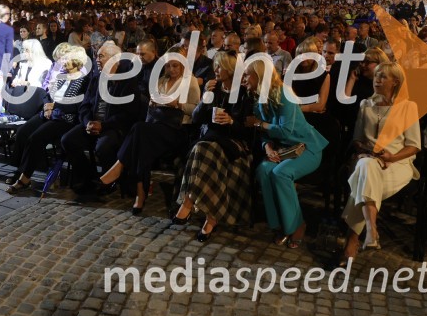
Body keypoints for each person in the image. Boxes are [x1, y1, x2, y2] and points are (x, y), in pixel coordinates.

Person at [97, 45, 200, 214]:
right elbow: (151, 112)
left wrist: (177, 104)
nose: (171, 69)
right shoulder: (161, 81)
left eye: (175, 65)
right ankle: (140, 194)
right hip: (156, 127)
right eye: (168, 65)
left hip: (178, 130)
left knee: (139, 131)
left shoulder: (190, 81)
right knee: (142, 145)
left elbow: (196, 111)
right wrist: (153, 104)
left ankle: (120, 168)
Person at [340, 62, 420, 262]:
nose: (377, 79)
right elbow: (357, 139)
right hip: (368, 160)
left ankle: (353, 239)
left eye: (383, 76)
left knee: (362, 179)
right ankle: (371, 230)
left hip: (398, 163)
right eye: (376, 75)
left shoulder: (408, 106)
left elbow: (414, 146)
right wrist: (365, 151)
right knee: (366, 166)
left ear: (396, 82)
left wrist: (392, 157)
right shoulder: (366, 104)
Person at [172, 51, 256, 240]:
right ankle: (210, 217)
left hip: (233, 142)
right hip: (211, 139)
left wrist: (232, 121)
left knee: (202, 149)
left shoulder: (244, 93)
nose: (216, 70)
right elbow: (196, 118)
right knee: (204, 149)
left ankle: (189, 203)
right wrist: (205, 97)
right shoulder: (214, 88)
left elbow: (249, 130)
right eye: (215, 66)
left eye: (220, 67)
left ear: (231, 69)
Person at [247, 56, 328, 248]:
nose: (244, 80)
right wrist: (267, 147)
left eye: (247, 75)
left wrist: (259, 123)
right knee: (263, 171)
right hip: (283, 150)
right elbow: (263, 133)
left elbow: (285, 130)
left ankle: (297, 225)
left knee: (280, 173)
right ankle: (279, 225)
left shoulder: (284, 93)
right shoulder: (258, 98)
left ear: (259, 76)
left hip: (307, 148)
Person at [6, 46, 89, 193]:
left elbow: (77, 105)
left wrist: (55, 107)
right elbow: (49, 96)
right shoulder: (61, 76)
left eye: (66, 59)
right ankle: (20, 170)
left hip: (65, 119)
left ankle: (24, 179)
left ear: (76, 61)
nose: (62, 62)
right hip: (51, 113)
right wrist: (47, 106)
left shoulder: (83, 80)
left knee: (35, 138)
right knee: (23, 132)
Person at [61, 42, 140, 194]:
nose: (97, 60)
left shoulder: (127, 81)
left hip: (112, 126)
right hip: (92, 123)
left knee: (103, 146)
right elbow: (84, 105)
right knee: (68, 140)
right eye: (97, 56)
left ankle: (108, 181)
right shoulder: (97, 78)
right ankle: (89, 177)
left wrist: (103, 126)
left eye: (101, 56)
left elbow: (128, 114)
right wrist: (87, 122)